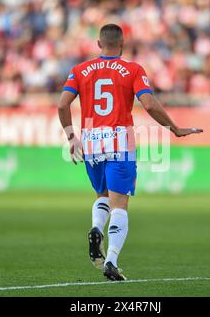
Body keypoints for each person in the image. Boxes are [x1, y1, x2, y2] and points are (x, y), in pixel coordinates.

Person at [57, 24, 202, 281]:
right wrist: (174, 128)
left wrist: (71, 136)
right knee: (120, 204)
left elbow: (62, 104)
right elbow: (148, 104)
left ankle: (95, 228)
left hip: (91, 143)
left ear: (99, 45)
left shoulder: (79, 70)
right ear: (122, 44)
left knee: (102, 195)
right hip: (120, 142)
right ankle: (111, 260)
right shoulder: (133, 69)